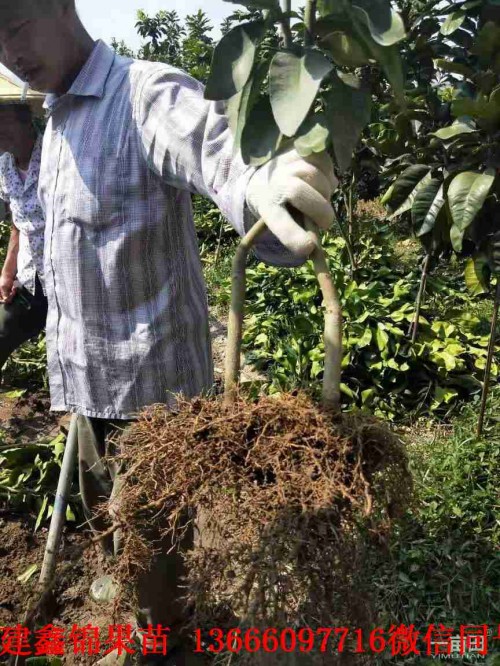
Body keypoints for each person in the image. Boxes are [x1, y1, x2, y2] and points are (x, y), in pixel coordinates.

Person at [0, 1, 338, 661]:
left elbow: (218, 152)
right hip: (85, 390)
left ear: (62, 8)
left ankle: (163, 648)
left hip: (154, 409)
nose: (10, 53)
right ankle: (145, 633)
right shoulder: (58, 122)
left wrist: (265, 186)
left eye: (14, 27)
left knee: (155, 562)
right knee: (118, 540)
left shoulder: (143, 94)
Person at [0, 81, 46, 383]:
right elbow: (18, 223)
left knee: (76, 356)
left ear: (24, 120)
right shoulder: (4, 165)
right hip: (30, 277)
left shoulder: (58, 156)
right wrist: (7, 272)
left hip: (71, 282)